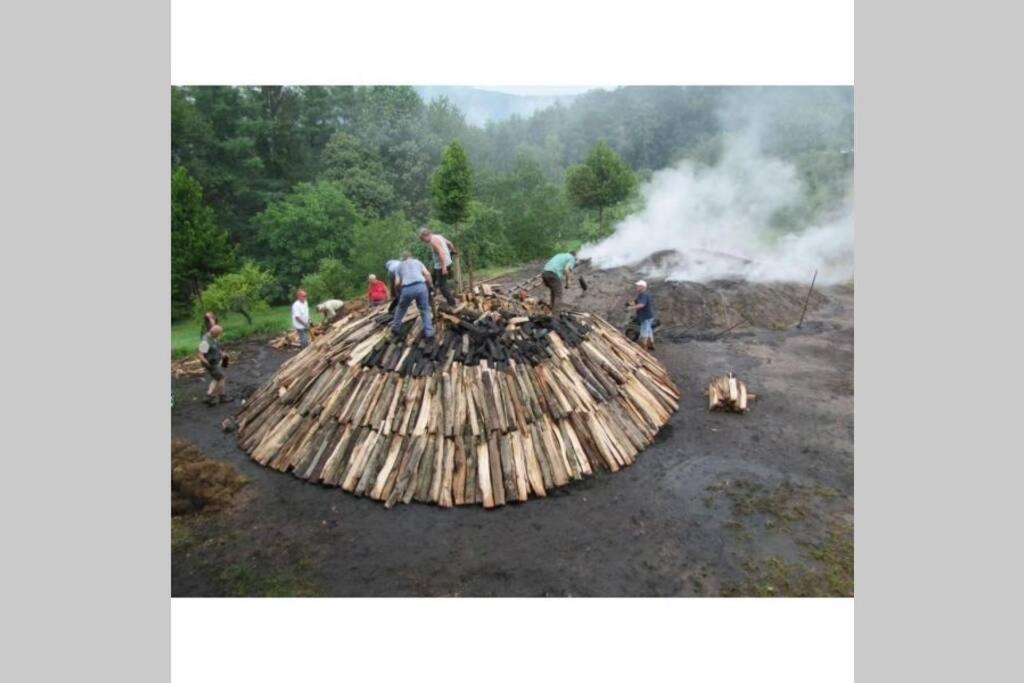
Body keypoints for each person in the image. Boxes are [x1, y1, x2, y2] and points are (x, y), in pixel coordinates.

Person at [390, 251, 435, 347]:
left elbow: (397, 283)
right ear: (411, 256)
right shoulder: (418, 262)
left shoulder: (399, 266)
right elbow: (427, 274)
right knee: (425, 310)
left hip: (407, 289)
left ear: (403, 258)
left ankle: (395, 327)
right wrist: (430, 285)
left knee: (401, 308)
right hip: (421, 286)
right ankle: (429, 334)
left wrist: (398, 293)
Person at [418, 226, 457, 306]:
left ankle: (452, 303)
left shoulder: (433, 241)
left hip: (441, 265)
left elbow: (441, 253)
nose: (423, 241)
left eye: (423, 239)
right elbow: (449, 243)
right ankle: (432, 295)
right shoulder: (438, 236)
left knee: (442, 285)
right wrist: (453, 251)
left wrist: (444, 267)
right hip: (444, 263)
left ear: (426, 235)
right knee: (432, 278)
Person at [198, 325, 232, 406]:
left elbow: (216, 347)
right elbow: (200, 355)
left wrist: (221, 354)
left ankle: (208, 396)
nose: (219, 336)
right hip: (211, 363)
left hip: (216, 361)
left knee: (216, 378)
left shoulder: (212, 338)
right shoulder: (205, 342)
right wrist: (208, 364)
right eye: (219, 334)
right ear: (215, 333)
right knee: (221, 378)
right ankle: (222, 396)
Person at [541, 250, 577, 315]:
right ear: (574, 256)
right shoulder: (571, 258)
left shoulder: (560, 255)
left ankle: (551, 309)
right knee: (558, 295)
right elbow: (566, 269)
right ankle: (555, 316)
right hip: (553, 274)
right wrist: (568, 282)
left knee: (553, 292)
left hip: (545, 273)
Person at [626, 280, 656, 351]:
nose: (637, 287)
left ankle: (644, 348)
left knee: (644, 332)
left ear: (642, 287)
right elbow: (636, 302)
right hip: (647, 316)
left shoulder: (644, 295)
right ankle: (651, 345)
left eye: (638, 286)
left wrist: (631, 308)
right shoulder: (641, 294)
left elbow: (641, 305)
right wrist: (629, 303)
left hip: (645, 317)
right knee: (649, 331)